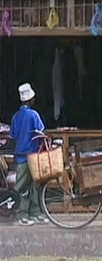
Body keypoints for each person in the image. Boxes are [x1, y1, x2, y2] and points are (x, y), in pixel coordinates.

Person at [10, 83, 49, 226]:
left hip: (20, 156)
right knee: (28, 186)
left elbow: (13, 135)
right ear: (31, 100)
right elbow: (41, 132)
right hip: (32, 155)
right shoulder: (34, 115)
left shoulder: (16, 117)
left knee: (29, 185)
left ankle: (35, 212)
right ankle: (22, 214)